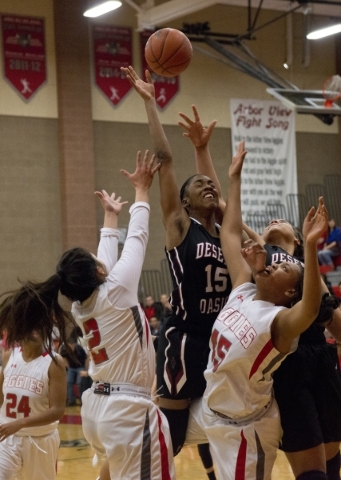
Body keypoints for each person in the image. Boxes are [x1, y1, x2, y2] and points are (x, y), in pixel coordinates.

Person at [182, 110, 341, 480]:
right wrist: (204, 153)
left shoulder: (301, 267)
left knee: (331, 455)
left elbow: (325, 314)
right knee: (310, 460)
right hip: (285, 358)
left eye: (281, 223)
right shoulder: (261, 263)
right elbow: (225, 218)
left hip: (318, 355)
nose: (272, 223)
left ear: (297, 244)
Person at [122, 67, 232, 479]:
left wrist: (203, 149)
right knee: (172, 436)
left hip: (223, 338)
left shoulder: (227, 234)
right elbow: (167, 161)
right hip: (183, 338)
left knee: (229, 429)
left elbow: (221, 195)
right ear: (182, 201)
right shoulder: (180, 227)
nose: (207, 186)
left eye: (210, 183)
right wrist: (150, 102)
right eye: (197, 185)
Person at [56, 150, 175, 480]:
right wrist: (141, 191)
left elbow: (103, 263)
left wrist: (110, 217)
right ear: (95, 269)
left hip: (97, 407)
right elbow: (137, 237)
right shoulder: (117, 290)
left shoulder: (82, 304)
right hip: (127, 408)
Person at [0, 274, 68, 479]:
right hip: (7, 438)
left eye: (41, 326)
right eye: (33, 326)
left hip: (40, 441)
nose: (37, 330)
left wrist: (20, 423)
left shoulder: (54, 363)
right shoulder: (8, 356)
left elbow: (57, 410)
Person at [59, 337, 88, 406]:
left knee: (80, 383)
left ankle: (82, 400)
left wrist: (86, 369)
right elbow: (63, 356)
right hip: (71, 367)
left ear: (74, 345)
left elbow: (86, 359)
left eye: (71, 347)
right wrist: (67, 365)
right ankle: (71, 400)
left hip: (80, 367)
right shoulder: (64, 348)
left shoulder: (79, 349)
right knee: (69, 382)